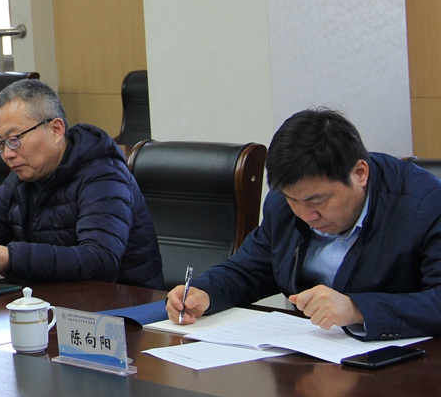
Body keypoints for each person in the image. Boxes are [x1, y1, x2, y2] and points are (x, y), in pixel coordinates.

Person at [167, 107, 441, 340]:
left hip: (406, 363)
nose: (306, 214)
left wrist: (357, 309)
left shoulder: (426, 205)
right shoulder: (283, 204)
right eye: (293, 200)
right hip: (313, 355)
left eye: (317, 200)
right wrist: (206, 292)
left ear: (359, 173)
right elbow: (251, 269)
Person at [0, 79, 163, 288]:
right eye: (0, 144)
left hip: (123, 302)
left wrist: (11, 258)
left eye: (14, 139)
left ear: (56, 129)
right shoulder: (22, 177)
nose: (8, 154)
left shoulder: (104, 175)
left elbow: (100, 260)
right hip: (50, 297)